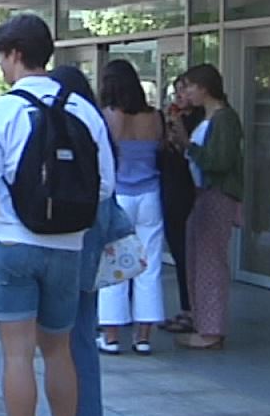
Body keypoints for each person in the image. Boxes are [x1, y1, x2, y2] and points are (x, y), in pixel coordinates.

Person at [0, 14, 114, 416]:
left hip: (11, 242)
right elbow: (105, 186)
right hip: (67, 248)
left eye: (0, 57)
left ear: (13, 54)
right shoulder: (86, 112)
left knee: (16, 355)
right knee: (60, 350)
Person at [46, 66, 110, 416]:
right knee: (78, 333)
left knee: (71, 337)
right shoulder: (95, 120)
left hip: (74, 231)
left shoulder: (69, 120)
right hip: (92, 226)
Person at [99, 61, 167, 354]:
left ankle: (111, 335)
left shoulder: (108, 117)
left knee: (115, 263)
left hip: (120, 195)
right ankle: (144, 336)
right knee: (149, 265)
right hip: (151, 194)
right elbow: (163, 148)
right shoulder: (154, 117)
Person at [175, 64, 244, 350]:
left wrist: (189, 147)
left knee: (210, 262)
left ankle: (211, 330)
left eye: (190, 86)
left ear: (205, 88)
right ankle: (202, 322)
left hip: (217, 194)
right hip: (201, 194)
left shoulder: (225, 119)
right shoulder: (207, 118)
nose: (186, 92)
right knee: (196, 259)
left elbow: (220, 161)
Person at [157, 77, 204, 333]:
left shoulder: (198, 121)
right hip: (170, 187)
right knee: (177, 249)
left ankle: (193, 309)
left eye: (184, 90)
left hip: (188, 190)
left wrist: (178, 131)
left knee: (188, 251)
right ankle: (186, 306)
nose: (179, 96)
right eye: (176, 91)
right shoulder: (172, 119)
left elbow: (190, 150)